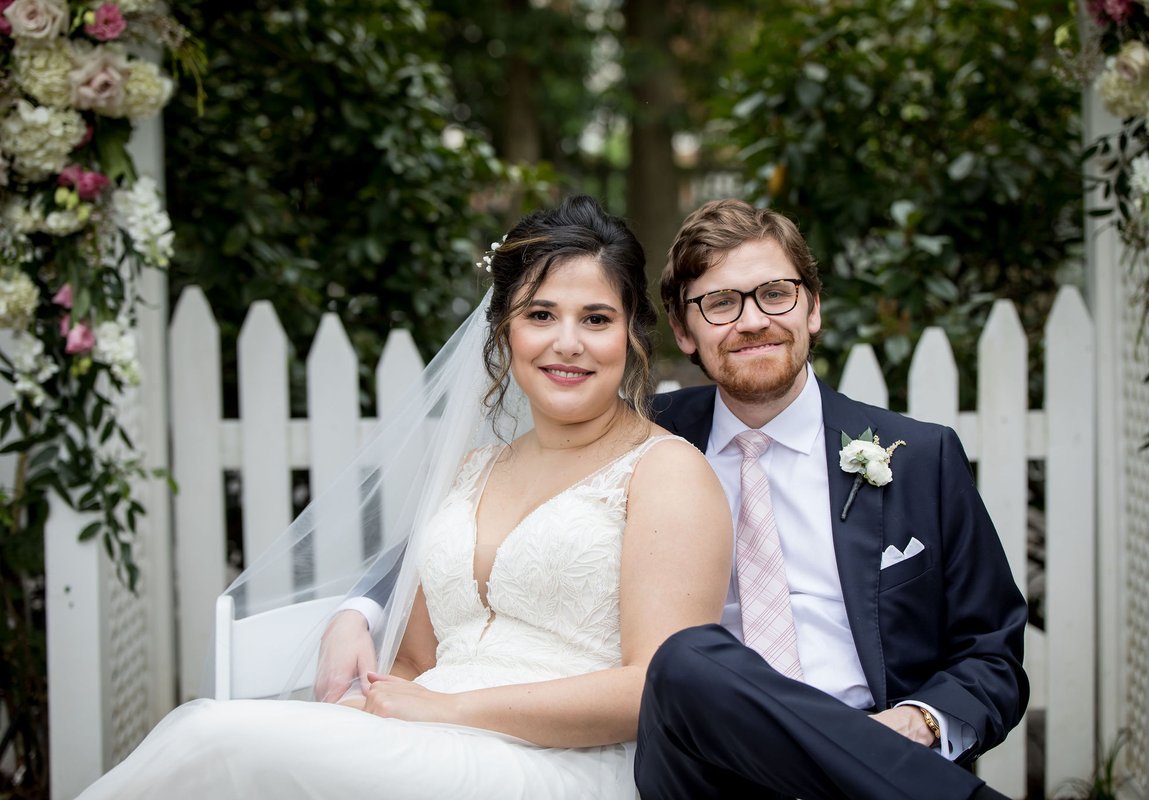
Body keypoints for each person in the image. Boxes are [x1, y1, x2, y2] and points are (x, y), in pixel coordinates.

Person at [79, 195, 732, 799]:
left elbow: (657, 686)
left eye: (596, 318)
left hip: (566, 764)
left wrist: (451, 711)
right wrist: (370, 711)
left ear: (630, 336)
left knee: (210, 739)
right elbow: (419, 659)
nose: (568, 343)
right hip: (429, 740)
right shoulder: (474, 470)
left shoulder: (666, 473)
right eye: (540, 315)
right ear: (504, 332)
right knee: (224, 748)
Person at [633, 199, 1028, 800]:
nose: (752, 320)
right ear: (684, 330)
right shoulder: (642, 445)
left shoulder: (921, 457)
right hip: (712, 772)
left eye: (775, 293)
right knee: (687, 658)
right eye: (720, 302)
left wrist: (919, 721)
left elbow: (992, 652)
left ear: (813, 308)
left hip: (883, 759)